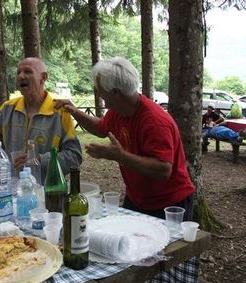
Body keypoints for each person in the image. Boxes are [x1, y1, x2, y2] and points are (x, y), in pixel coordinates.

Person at [55, 57, 195, 220]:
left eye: (98, 87)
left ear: (115, 92)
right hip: (137, 199)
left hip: (169, 205)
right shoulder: (119, 110)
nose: (96, 90)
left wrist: (119, 156)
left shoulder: (155, 122)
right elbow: (101, 128)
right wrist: (74, 111)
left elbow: (163, 170)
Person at [0, 57, 82, 183]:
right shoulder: (8, 108)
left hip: (48, 191)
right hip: (14, 190)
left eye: (27, 71)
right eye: (18, 72)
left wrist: (39, 159)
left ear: (43, 78)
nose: (21, 76)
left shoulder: (59, 112)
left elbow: (74, 156)